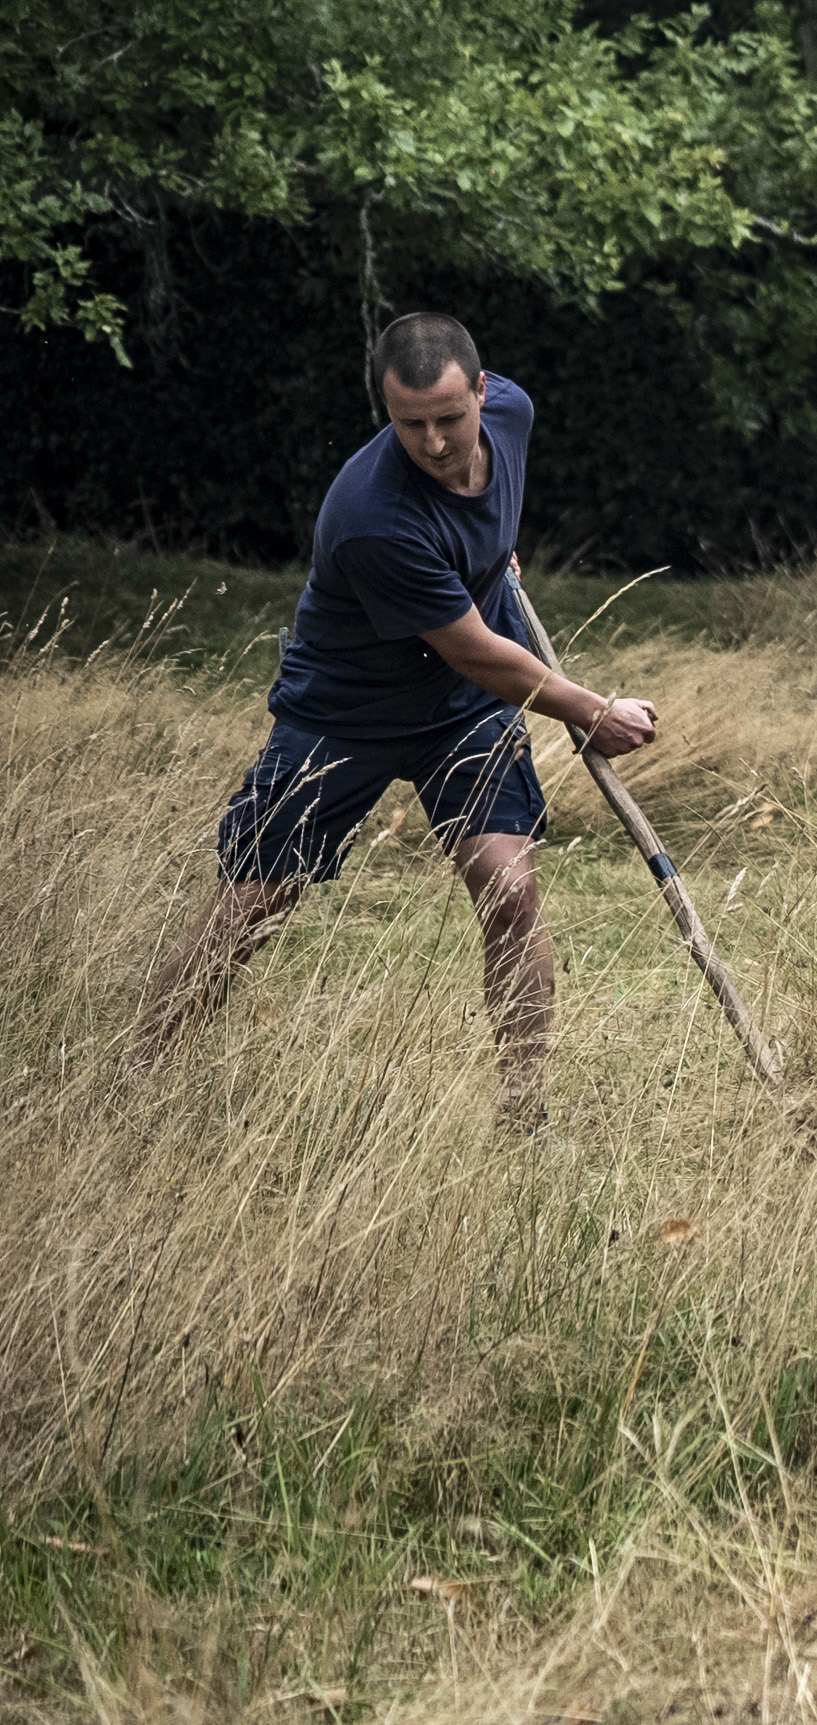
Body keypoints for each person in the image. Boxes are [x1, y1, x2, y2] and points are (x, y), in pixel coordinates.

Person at [136, 313, 658, 1124]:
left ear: (483, 393)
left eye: (450, 418)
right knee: (255, 900)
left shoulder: (512, 414)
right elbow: (479, 654)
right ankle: (139, 1071)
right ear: (385, 411)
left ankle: (526, 1114)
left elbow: (482, 523)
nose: (436, 442)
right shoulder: (370, 516)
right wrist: (592, 710)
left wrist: (495, 544)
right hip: (345, 709)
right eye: (409, 424)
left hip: (459, 715)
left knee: (509, 891)